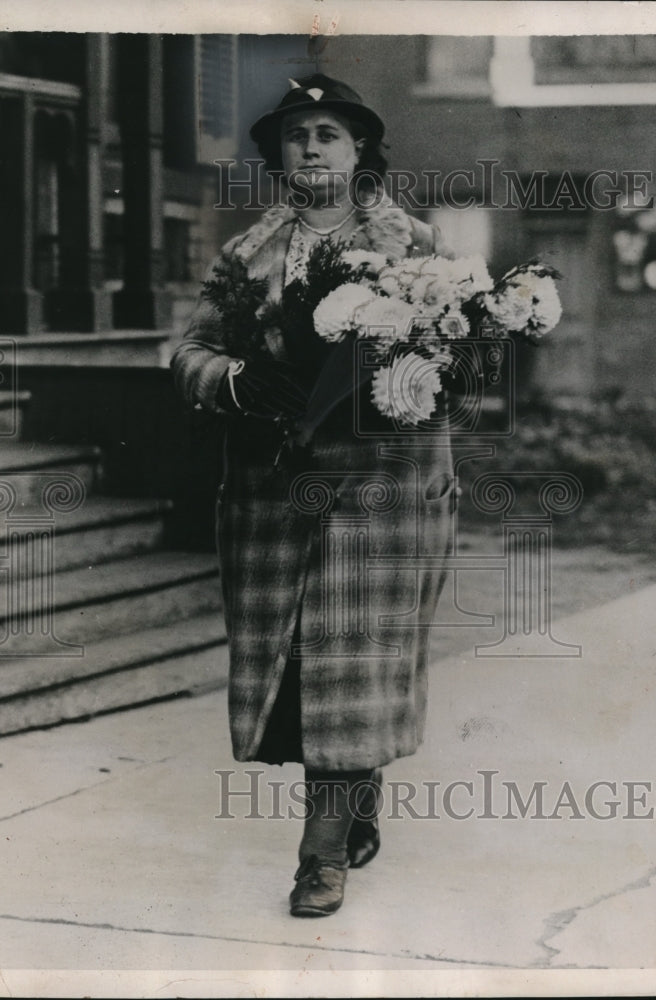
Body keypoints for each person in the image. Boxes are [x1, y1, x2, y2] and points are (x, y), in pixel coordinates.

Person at [171, 74, 458, 917]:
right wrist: (234, 379)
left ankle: (318, 859)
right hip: (271, 488)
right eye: (297, 135)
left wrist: (417, 411)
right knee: (297, 671)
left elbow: (458, 364)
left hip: (381, 489)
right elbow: (187, 350)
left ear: (359, 149)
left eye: (329, 134)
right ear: (278, 155)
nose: (311, 148)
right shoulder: (245, 257)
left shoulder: (413, 247)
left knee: (348, 659)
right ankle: (355, 785)